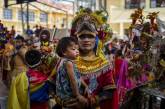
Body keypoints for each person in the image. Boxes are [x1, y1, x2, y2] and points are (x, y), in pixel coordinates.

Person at [67, 9, 118, 109]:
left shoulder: (103, 63)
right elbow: (52, 85)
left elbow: (109, 91)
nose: (86, 40)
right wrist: (63, 101)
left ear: (96, 39)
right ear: (76, 39)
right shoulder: (66, 61)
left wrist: (88, 102)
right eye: (82, 36)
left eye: (90, 36)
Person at [55, 37, 89, 109]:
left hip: (66, 95)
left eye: (77, 49)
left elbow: (78, 77)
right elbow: (73, 80)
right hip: (69, 96)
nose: (77, 51)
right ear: (64, 52)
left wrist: (86, 86)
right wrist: (77, 95)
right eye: (73, 49)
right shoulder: (68, 63)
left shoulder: (65, 61)